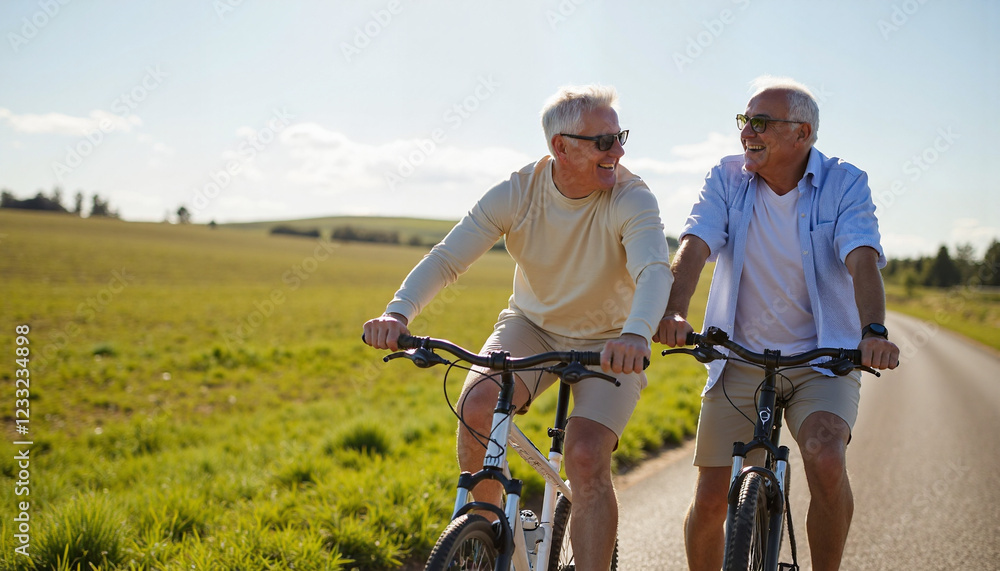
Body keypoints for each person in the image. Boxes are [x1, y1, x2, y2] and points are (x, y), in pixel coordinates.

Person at [363, 85, 672, 570]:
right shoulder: (518, 191)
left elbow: (654, 271)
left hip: (611, 341)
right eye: (604, 142)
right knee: (476, 406)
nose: (619, 151)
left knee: (586, 454)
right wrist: (397, 314)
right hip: (532, 325)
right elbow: (447, 259)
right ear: (561, 148)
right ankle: (488, 543)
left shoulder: (632, 197)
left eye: (620, 137)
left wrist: (635, 333)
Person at [654, 76, 900, 571]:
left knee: (825, 456)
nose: (748, 132)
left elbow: (861, 258)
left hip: (823, 359)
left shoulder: (844, 182)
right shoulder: (727, 178)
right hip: (739, 356)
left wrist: (872, 332)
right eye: (744, 121)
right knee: (709, 499)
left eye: (761, 123)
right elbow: (696, 243)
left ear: (801, 133)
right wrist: (674, 311)